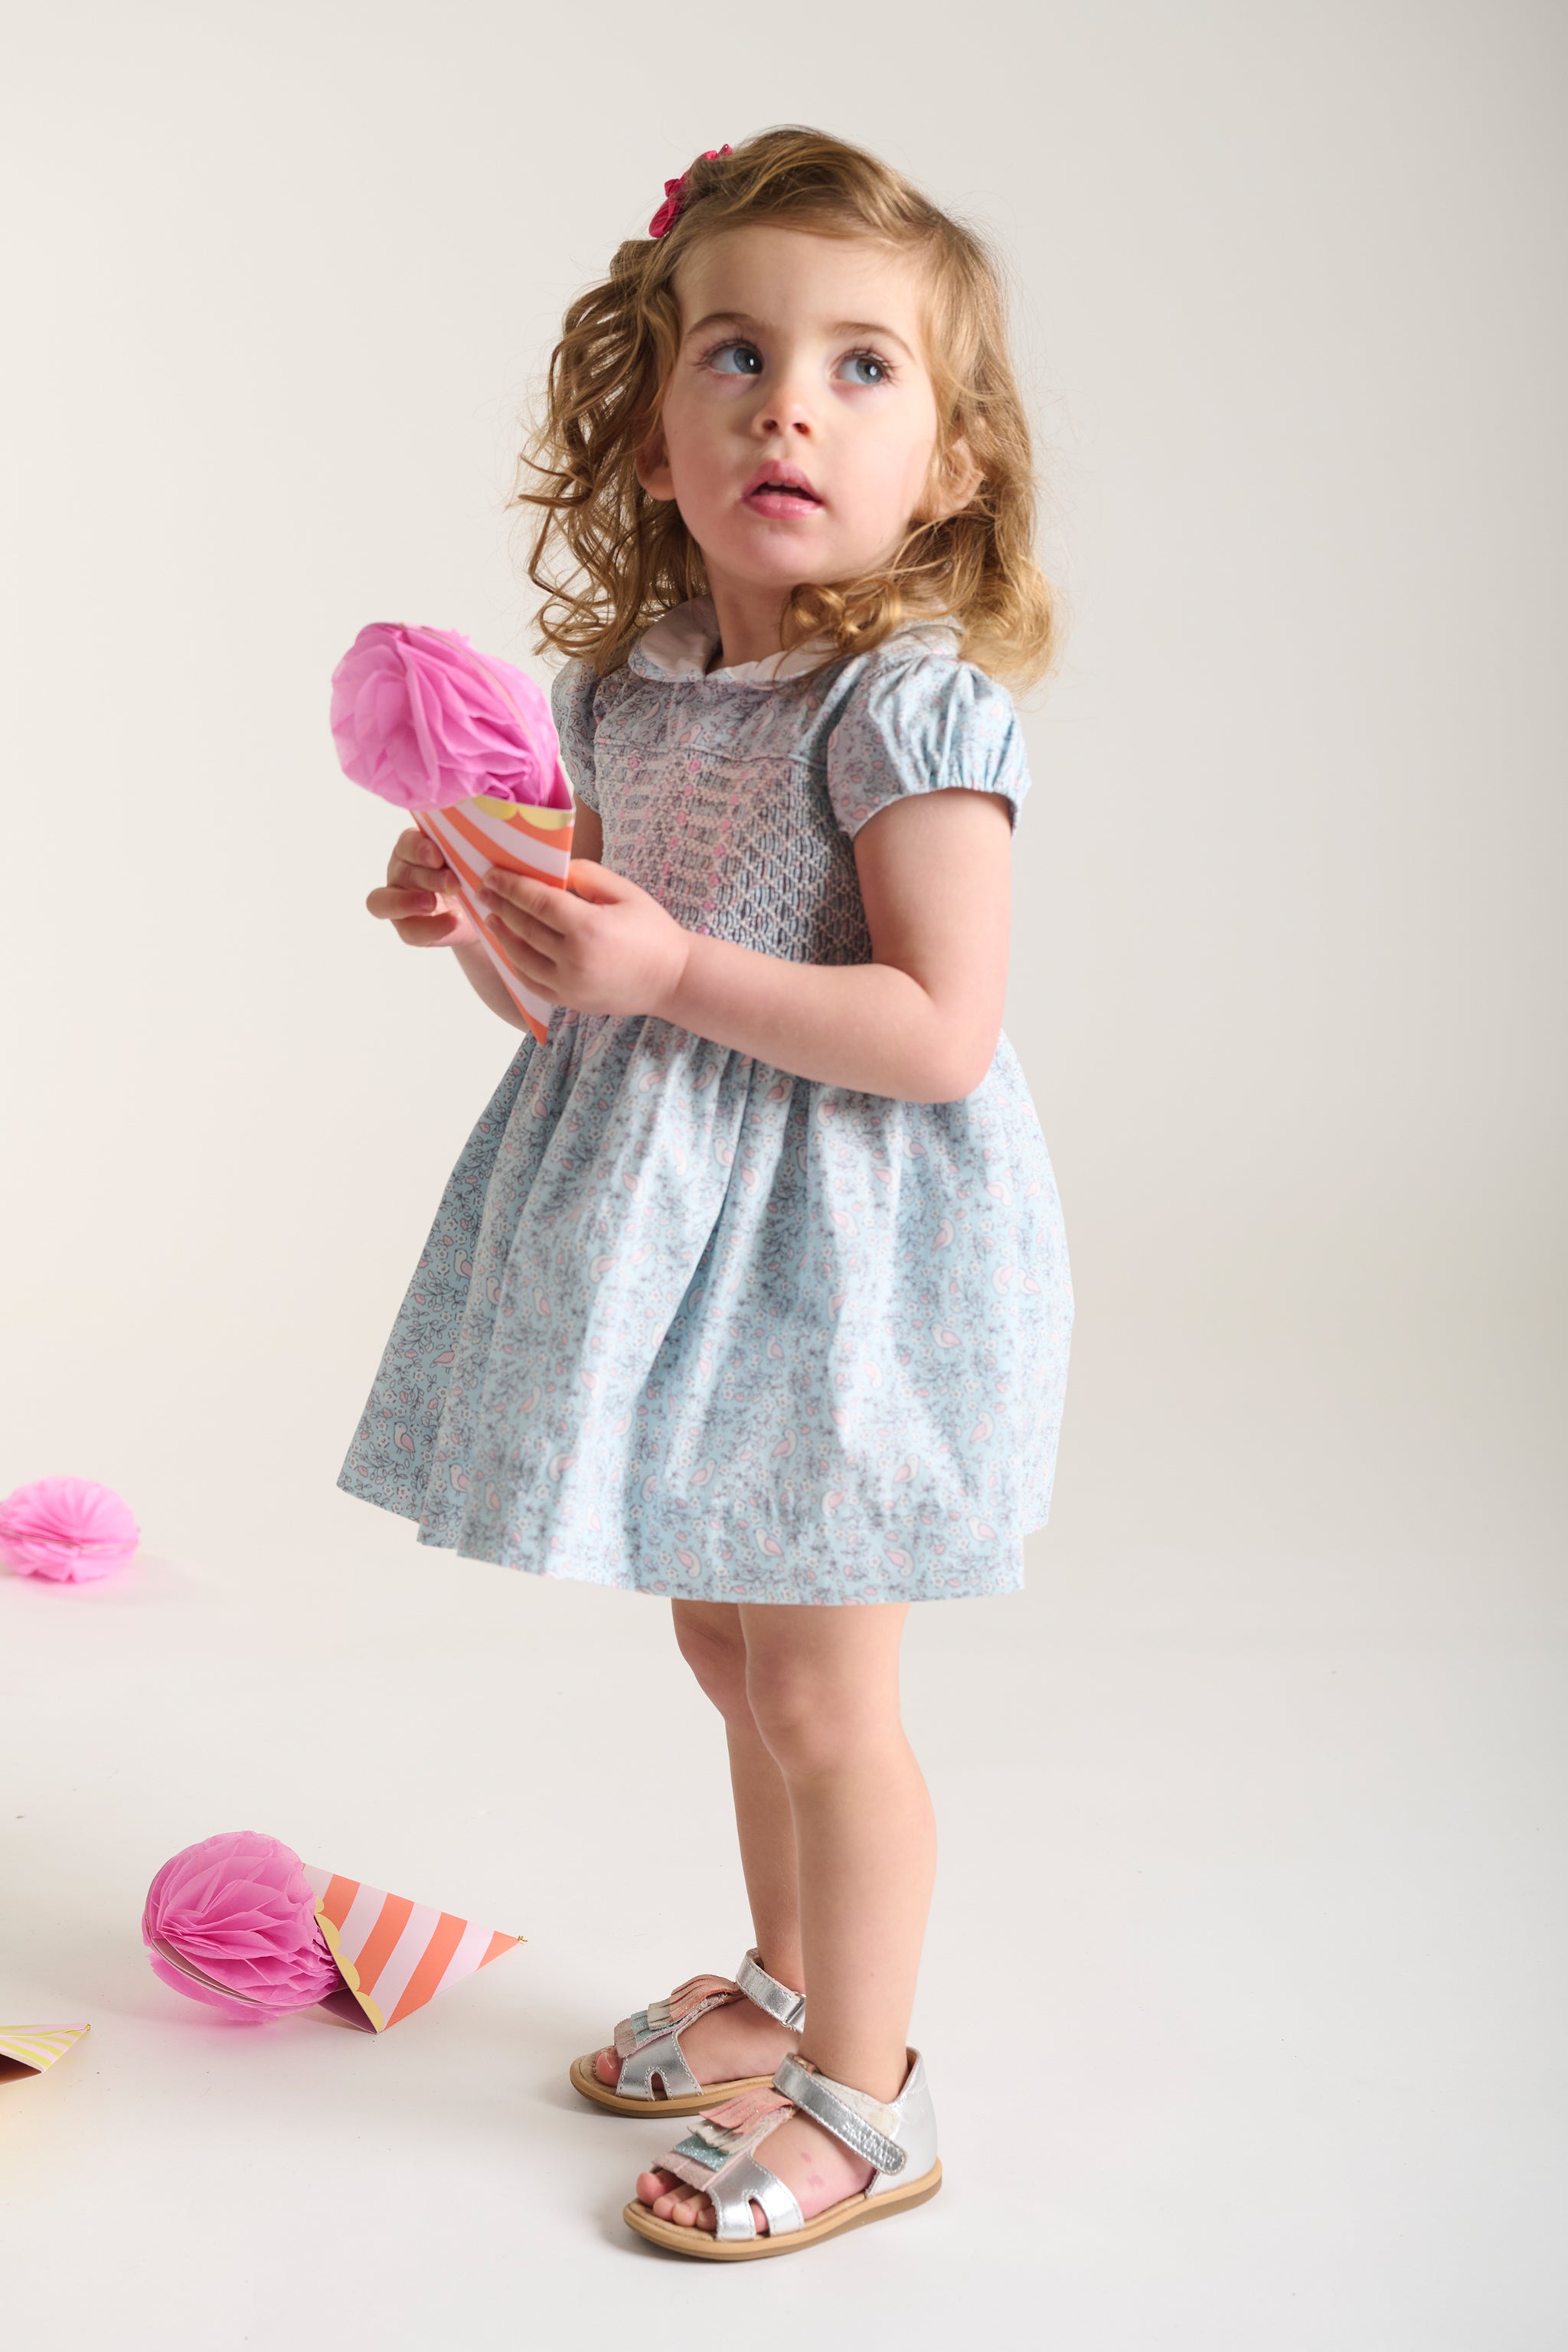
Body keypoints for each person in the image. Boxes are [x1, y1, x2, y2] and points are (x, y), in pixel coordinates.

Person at [345, 125, 1073, 2259]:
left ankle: (872, 2093)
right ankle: (782, 1988)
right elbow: (599, 1022)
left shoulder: (905, 707)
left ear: (947, 463)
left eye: (865, 370)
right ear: (648, 438)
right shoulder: (624, 695)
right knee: (727, 1646)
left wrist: (663, 960)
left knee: (831, 1694)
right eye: (737, 356)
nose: (790, 404)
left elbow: (937, 1028)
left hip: (855, 1277)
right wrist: (496, 916)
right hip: (691, 1275)